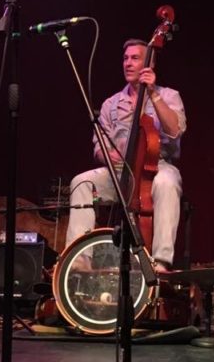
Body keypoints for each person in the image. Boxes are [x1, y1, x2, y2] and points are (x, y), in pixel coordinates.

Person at [65, 39, 187, 273]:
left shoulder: (170, 95)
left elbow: (174, 130)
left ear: (149, 63)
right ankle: (80, 258)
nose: (128, 63)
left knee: (168, 182)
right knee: (81, 181)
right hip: (120, 172)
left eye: (135, 58)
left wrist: (153, 94)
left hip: (157, 167)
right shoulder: (111, 103)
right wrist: (108, 154)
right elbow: (98, 148)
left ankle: (161, 262)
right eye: (125, 58)